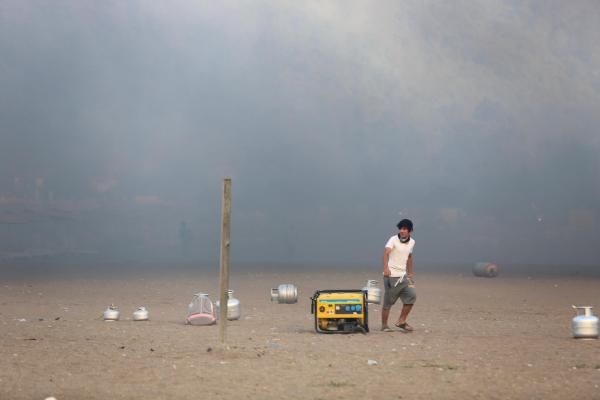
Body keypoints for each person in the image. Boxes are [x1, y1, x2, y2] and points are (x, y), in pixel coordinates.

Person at [381, 219, 416, 332]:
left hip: (403, 276)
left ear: (409, 231)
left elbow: (409, 257)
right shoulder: (393, 239)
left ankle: (401, 321)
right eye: (401, 228)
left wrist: (410, 273)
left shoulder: (412, 242)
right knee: (388, 301)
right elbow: (386, 253)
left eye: (404, 229)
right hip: (391, 276)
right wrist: (386, 268)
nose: (402, 231)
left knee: (411, 296)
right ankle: (384, 325)